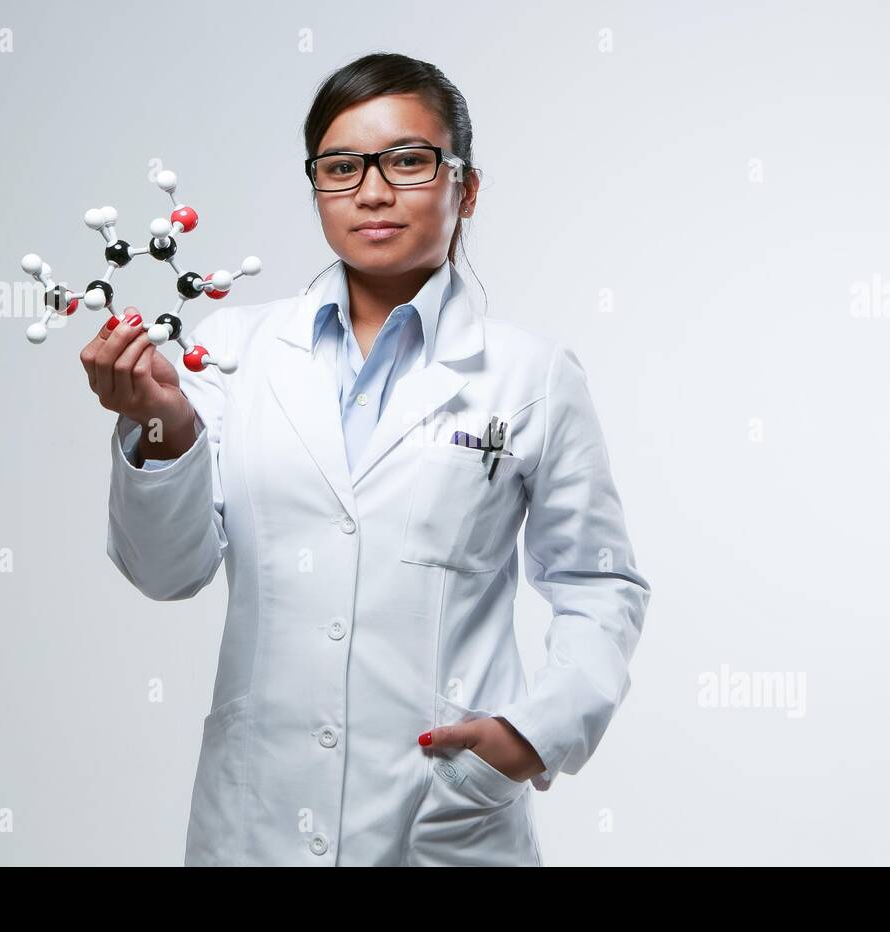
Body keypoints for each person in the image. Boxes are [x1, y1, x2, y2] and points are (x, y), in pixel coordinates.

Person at [80, 51, 651, 866]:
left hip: (446, 817)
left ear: (467, 186)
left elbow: (598, 583)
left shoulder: (531, 376)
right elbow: (167, 573)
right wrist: (164, 422)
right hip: (257, 820)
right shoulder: (232, 354)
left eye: (408, 161)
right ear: (316, 186)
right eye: (342, 168)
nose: (373, 192)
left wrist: (533, 735)